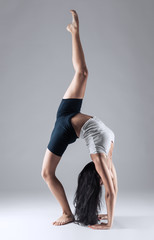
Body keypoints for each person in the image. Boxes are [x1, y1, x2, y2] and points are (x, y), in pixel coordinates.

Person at [41, 10, 118, 230]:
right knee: (82, 73)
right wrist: (109, 221)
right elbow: (113, 190)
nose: (107, 180)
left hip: (65, 127)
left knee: (46, 173)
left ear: (97, 177)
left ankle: (67, 212)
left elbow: (113, 189)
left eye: (103, 180)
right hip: (70, 114)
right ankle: (74, 32)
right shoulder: (104, 160)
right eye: (106, 178)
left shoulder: (102, 158)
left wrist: (108, 221)